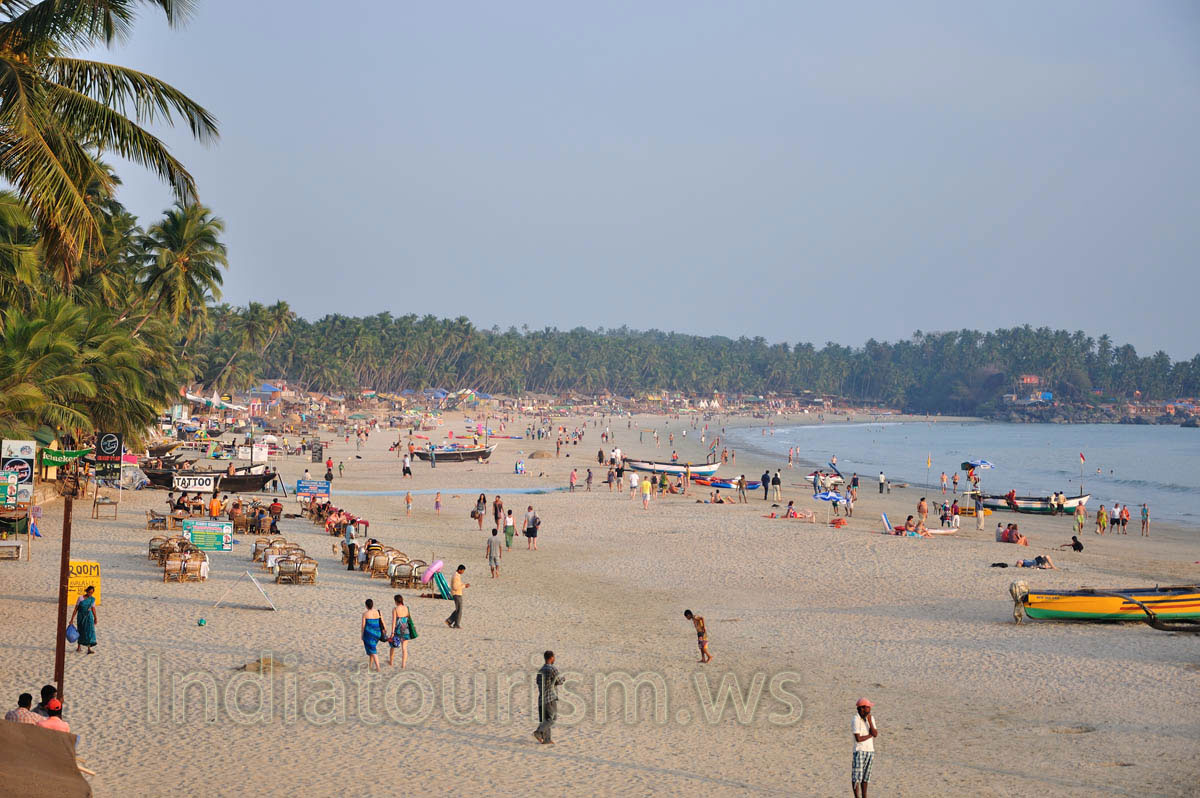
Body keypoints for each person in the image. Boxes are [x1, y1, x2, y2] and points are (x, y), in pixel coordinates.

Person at [533, 650, 564, 745]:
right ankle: (538, 732)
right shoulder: (552, 669)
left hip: (541, 698)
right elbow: (558, 681)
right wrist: (563, 679)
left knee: (545, 719)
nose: (554, 659)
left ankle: (547, 740)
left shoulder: (540, 670)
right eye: (554, 657)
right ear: (551, 658)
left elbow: (538, 683)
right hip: (550, 698)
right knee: (552, 719)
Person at [852, 697, 878, 798]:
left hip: (870, 751)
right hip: (859, 751)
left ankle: (864, 796)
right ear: (862, 708)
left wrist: (870, 722)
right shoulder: (855, 719)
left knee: (866, 777)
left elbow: (875, 733)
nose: (870, 709)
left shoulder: (871, 718)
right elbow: (858, 738)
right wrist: (870, 735)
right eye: (868, 707)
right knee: (856, 777)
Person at [68, 584, 97, 654]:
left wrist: (95, 617)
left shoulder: (92, 599)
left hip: (89, 616)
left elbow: (93, 609)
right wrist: (72, 619)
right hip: (81, 616)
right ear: (87, 591)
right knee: (80, 630)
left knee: (89, 631)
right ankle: (78, 647)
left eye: (92, 592)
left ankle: (89, 649)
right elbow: (76, 609)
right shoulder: (80, 598)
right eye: (89, 592)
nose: (90, 593)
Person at [388, 594, 415, 668]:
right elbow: (408, 619)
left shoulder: (395, 609)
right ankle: (403, 665)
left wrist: (392, 632)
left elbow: (393, 622)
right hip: (405, 629)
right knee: (404, 648)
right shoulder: (406, 608)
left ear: (396, 601)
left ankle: (391, 662)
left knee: (393, 646)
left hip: (398, 630)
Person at [361, 598, 385, 671]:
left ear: (366, 606)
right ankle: (370, 665)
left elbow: (363, 625)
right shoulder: (378, 612)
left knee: (373, 651)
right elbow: (382, 622)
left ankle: (378, 668)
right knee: (371, 648)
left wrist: (362, 635)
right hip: (377, 633)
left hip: (369, 634)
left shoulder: (365, 614)